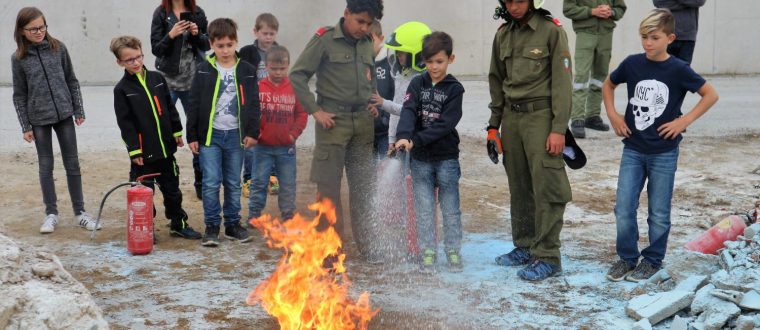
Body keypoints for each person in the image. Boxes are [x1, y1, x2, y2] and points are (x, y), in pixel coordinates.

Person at [603, 8, 718, 282]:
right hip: (633, 148)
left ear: (670, 38)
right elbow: (608, 85)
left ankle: (653, 260)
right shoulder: (632, 64)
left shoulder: (679, 69)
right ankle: (627, 258)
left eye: (654, 37)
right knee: (623, 207)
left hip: (664, 153)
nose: (647, 43)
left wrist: (684, 120)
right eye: (644, 37)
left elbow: (710, 94)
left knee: (658, 212)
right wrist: (613, 115)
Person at [289, 0, 384, 260]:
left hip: (363, 123)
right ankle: (329, 251)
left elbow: (368, 75)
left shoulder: (366, 42)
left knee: (363, 188)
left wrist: (372, 99)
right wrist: (315, 110)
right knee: (328, 189)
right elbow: (297, 75)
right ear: (346, 14)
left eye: (368, 23)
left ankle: (368, 246)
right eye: (359, 21)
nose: (363, 28)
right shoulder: (325, 39)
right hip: (333, 122)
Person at [487, 0, 574, 281]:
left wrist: (558, 128)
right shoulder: (502, 34)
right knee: (520, 186)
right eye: (508, 1)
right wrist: (493, 127)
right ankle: (524, 246)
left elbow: (562, 83)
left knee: (548, 186)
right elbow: (496, 81)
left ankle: (548, 256)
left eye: (520, 0)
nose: (513, 6)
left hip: (541, 119)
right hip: (512, 120)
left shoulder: (551, 31)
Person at [11, 7, 99, 234]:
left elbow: (72, 80)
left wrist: (78, 109)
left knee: (73, 164)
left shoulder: (58, 48)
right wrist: (25, 125)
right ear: (22, 30)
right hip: (38, 118)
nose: (39, 32)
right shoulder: (18, 58)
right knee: (46, 165)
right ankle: (51, 213)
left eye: (42, 27)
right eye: (33, 29)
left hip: (64, 115)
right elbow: (20, 94)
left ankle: (80, 212)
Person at [110, 35, 202, 240]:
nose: (135, 62)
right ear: (120, 62)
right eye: (129, 60)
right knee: (144, 195)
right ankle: (146, 228)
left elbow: (170, 108)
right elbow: (125, 125)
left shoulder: (157, 79)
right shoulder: (122, 90)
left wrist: (177, 132)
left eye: (138, 57)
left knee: (173, 192)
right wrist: (134, 150)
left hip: (166, 151)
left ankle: (178, 223)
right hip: (143, 156)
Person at [186, 18, 260, 247]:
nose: (225, 50)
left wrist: (252, 132)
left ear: (236, 42)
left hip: (236, 136)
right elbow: (194, 103)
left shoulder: (247, 70)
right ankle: (211, 226)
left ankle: (232, 224)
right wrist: (193, 136)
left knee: (233, 182)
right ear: (211, 44)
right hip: (211, 136)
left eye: (229, 45)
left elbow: (254, 104)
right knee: (210, 182)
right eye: (220, 46)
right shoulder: (203, 69)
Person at [395, 31, 465, 273]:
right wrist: (403, 136)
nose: (434, 67)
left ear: (450, 59)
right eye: (429, 62)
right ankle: (428, 251)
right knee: (424, 209)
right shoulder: (417, 84)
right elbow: (408, 110)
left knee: (450, 208)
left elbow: (446, 124)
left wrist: (417, 140)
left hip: (446, 159)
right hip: (420, 162)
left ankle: (453, 251)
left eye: (439, 61)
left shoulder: (455, 89)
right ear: (422, 60)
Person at [151, 0, 210, 199]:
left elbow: (207, 44)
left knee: (197, 130)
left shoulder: (197, 11)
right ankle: (164, 179)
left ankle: (201, 183)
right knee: (162, 128)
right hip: (167, 82)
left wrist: (197, 34)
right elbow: (156, 49)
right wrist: (171, 35)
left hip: (194, 81)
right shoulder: (160, 13)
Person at [248, 45, 307, 222]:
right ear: (266, 66)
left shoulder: (294, 88)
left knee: (288, 183)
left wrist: (293, 134)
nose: (278, 72)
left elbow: (302, 114)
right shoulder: (258, 87)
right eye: (274, 68)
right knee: (258, 182)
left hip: (286, 148)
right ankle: (254, 215)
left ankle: (288, 215)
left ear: (288, 66)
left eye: (282, 68)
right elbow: (250, 112)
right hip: (262, 147)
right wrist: (254, 133)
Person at [563, 0, 627, 139]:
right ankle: (577, 119)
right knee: (581, 76)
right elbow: (568, 9)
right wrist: (592, 11)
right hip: (585, 33)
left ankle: (592, 116)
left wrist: (612, 12)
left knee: (600, 77)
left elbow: (621, 8)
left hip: (606, 33)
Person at [371, 21, 431, 155]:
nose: (397, 55)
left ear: (417, 54)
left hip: (417, 139)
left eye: (402, 52)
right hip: (400, 138)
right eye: (396, 51)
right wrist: (391, 138)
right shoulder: (401, 75)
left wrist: (383, 103)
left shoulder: (424, 80)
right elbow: (395, 114)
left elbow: (411, 111)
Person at [241, 13, 281, 195]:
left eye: (272, 34)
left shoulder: (279, 51)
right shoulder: (247, 52)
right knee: (250, 143)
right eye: (265, 33)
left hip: (272, 103)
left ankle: (272, 176)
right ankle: (249, 179)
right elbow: (241, 76)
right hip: (252, 104)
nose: (268, 37)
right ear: (255, 32)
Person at [369, 20, 394, 160]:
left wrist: (386, 119)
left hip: (385, 132)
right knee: (368, 175)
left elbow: (395, 94)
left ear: (381, 39)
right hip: (366, 132)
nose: (367, 45)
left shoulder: (390, 64)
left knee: (387, 170)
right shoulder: (360, 63)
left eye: (371, 40)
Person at [653, 0, 706, 65]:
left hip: (687, 36)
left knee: (683, 72)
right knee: (664, 70)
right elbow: (659, 3)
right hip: (666, 34)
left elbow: (699, 1)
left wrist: (675, 3)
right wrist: (687, 5)